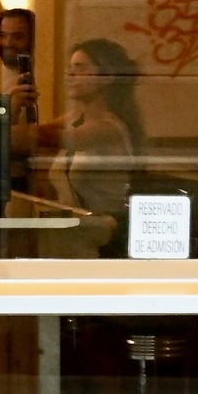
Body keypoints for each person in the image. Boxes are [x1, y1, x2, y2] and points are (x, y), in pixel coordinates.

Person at [37, 36, 147, 256]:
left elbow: (43, 138)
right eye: (70, 69)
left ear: (106, 77)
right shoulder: (77, 117)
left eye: (80, 68)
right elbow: (36, 136)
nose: (70, 76)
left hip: (100, 238)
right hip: (76, 234)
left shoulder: (108, 128)